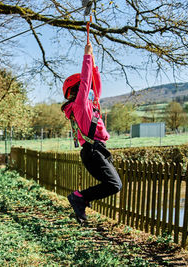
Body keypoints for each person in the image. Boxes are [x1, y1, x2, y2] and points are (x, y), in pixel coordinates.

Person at [61, 42, 122, 223]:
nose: (90, 91)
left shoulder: (90, 105)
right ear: (78, 90)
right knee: (114, 185)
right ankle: (79, 197)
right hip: (92, 151)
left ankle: (81, 198)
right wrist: (86, 56)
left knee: (113, 184)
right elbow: (87, 81)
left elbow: (94, 82)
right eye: (85, 88)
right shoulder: (80, 105)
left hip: (96, 150)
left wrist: (94, 62)